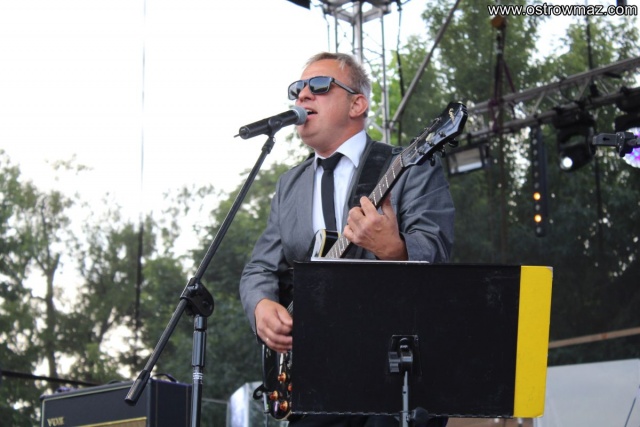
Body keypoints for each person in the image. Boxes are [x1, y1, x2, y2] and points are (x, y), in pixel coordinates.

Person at [239, 52, 453, 427]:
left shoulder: (410, 165)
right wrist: (261, 307)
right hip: (317, 383)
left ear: (358, 104)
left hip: (394, 372)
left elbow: (436, 254)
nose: (303, 95)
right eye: (297, 88)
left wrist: (394, 250)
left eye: (319, 86)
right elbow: (260, 267)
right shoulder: (290, 185)